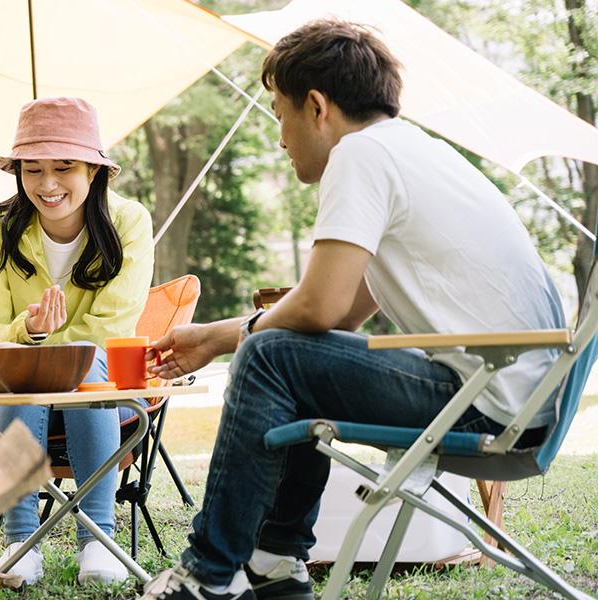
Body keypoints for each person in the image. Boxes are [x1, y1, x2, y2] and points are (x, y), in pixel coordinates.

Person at [141, 20, 564, 600]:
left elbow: (318, 308)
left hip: (487, 406)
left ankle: (207, 576)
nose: (280, 138)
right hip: (520, 399)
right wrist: (225, 334)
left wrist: (221, 337)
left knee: (271, 354)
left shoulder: (361, 154)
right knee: (285, 357)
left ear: (316, 106)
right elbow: (338, 317)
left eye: (278, 115)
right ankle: (273, 562)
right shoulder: (415, 151)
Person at [0, 96, 154, 585]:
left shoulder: (129, 222)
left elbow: (111, 329)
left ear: (93, 171)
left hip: (103, 385)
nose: (47, 185)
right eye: (33, 169)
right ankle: (21, 542)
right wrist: (26, 334)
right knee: (22, 374)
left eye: (64, 167)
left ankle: (100, 541)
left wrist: (44, 347)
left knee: (82, 365)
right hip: (15, 383)